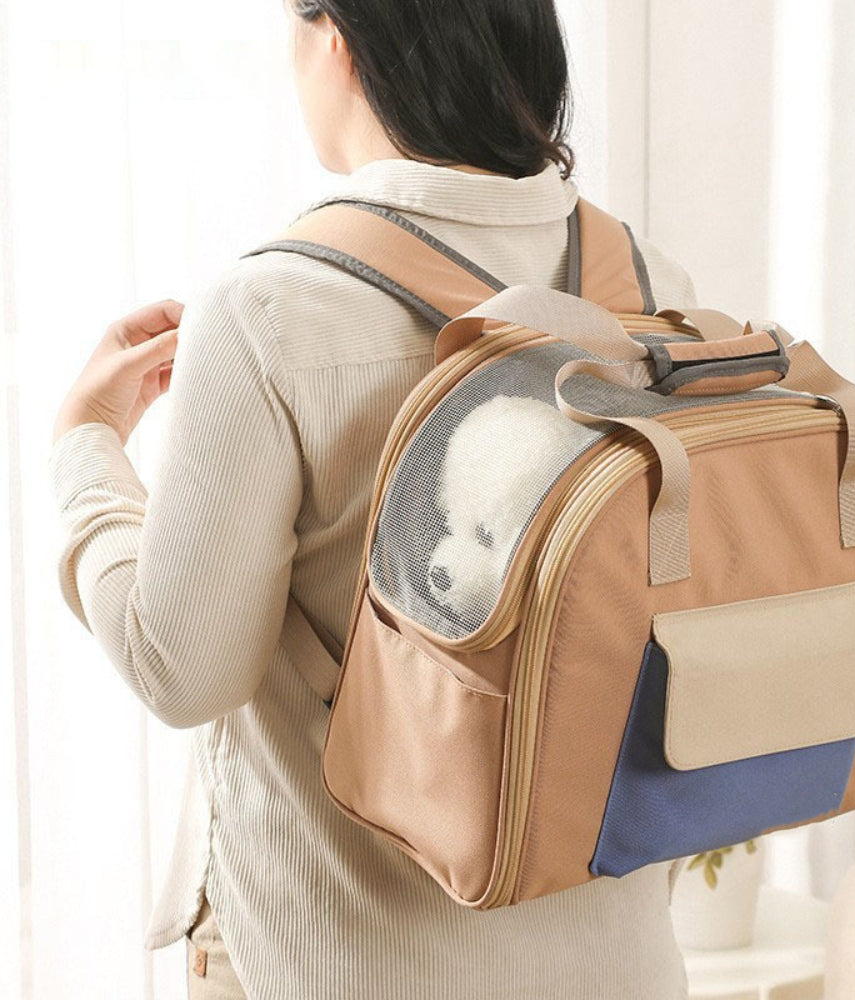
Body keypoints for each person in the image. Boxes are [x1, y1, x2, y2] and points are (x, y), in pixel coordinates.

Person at [48, 1, 698, 997]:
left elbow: (181, 670)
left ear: (337, 39)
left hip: (345, 959)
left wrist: (86, 449)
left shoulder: (272, 306)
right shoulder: (647, 286)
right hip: (619, 959)